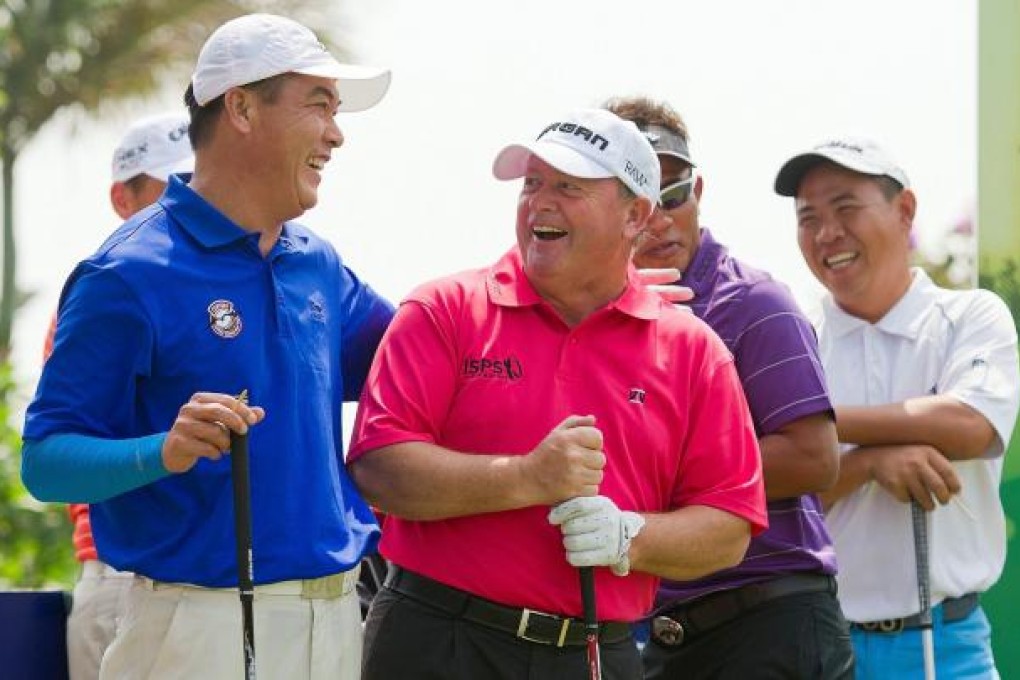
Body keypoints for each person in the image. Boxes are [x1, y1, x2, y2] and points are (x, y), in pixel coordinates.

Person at [21, 13, 392, 679]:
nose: (336, 134)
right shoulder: (127, 274)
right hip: (192, 629)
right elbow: (47, 460)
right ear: (242, 108)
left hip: (336, 617)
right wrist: (163, 450)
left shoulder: (318, 262)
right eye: (319, 106)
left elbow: (416, 358)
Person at [347, 108, 769, 680]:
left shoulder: (695, 352)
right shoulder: (442, 310)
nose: (539, 203)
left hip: (595, 653)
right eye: (532, 184)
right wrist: (527, 478)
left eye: (568, 187)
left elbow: (728, 527)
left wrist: (631, 536)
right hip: (436, 636)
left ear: (635, 215)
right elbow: (380, 469)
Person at [604, 97, 854, 678]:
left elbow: (813, 459)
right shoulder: (597, 323)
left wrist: (647, 482)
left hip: (769, 621)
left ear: (699, 192)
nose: (660, 217)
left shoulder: (756, 303)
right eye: (637, 199)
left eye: (674, 193)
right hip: (660, 637)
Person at [775, 137, 1020, 678]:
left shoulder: (970, 316)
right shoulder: (797, 340)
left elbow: (970, 425)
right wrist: (868, 462)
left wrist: (817, 426)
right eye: (808, 217)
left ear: (904, 209)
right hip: (823, 643)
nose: (826, 233)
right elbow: (783, 501)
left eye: (845, 208)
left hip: (950, 645)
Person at [46, 111, 194, 680]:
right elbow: (60, 450)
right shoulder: (107, 289)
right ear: (122, 199)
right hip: (122, 568)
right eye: (171, 186)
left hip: (196, 574)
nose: (193, 200)